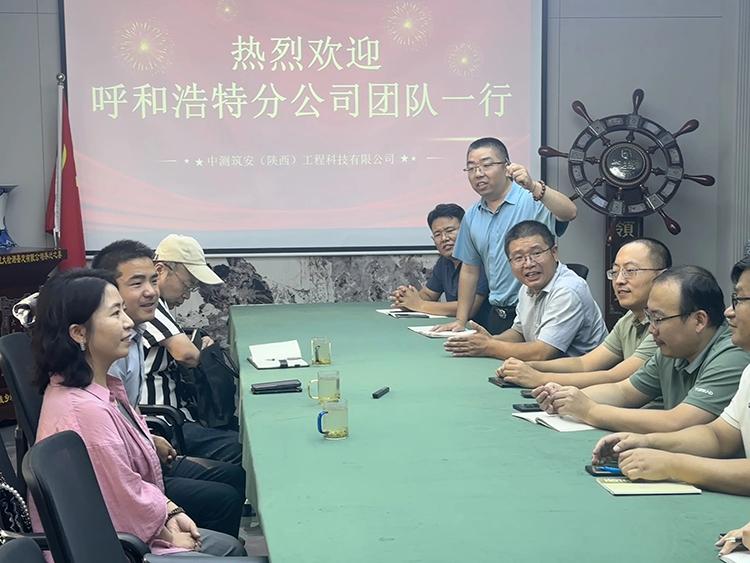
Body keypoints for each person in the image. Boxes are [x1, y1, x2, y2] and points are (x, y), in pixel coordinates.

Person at [30, 269, 245, 556]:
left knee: (230, 546)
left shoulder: (97, 387)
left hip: (133, 531)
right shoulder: (86, 412)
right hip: (118, 548)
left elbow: (129, 484)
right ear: (79, 333)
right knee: (230, 550)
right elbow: (123, 502)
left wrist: (170, 511)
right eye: (115, 313)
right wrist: (169, 535)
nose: (128, 322)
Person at [588, 257, 750, 557]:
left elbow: (682, 422)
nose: (730, 311)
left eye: (739, 300)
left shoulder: (734, 356)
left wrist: (672, 464)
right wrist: (649, 442)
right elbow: (718, 435)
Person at [92, 240, 245, 538]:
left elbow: (126, 406)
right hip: (147, 443)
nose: (151, 291)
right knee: (225, 492)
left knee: (232, 478)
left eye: (152, 282)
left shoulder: (135, 331)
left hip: (146, 441)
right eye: (137, 283)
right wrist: (168, 520)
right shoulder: (106, 351)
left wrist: (147, 439)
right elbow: (114, 467)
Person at [535, 266, 750, 433]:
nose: (652, 329)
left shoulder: (733, 354)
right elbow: (624, 392)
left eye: (658, 319)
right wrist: (565, 398)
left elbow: (679, 422)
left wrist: (590, 410)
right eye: (650, 317)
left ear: (699, 320)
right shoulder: (673, 349)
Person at [435, 137, 578, 335]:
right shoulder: (472, 215)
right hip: (499, 314)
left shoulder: (532, 198)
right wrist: (460, 320)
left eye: (486, 165)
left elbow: (570, 212)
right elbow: (469, 270)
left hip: (538, 310)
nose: (478, 173)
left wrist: (534, 186)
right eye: (471, 168)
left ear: (506, 167)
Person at [497, 238, 670, 388]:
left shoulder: (664, 325)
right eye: (615, 272)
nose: (619, 280)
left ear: (662, 276)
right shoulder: (629, 319)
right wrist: (529, 366)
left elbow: (616, 377)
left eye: (630, 271)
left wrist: (539, 378)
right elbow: (585, 363)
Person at [443, 220, 607, 360]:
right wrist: (490, 339)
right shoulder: (526, 287)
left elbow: (542, 352)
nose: (529, 264)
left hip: (585, 378)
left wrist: (488, 346)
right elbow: (519, 333)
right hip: (549, 373)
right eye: (518, 258)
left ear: (554, 253)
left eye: (536, 253)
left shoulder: (567, 290)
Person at [144, 234, 242, 466]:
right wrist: (203, 351)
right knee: (245, 449)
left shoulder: (160, 305)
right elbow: (187, 355)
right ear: (160, 270)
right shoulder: (149, 306)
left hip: (179, 415)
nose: (187, 295)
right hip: (164, 425)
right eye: (187, 285)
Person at [390, 204, 490, 326]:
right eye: (437, 234)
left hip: (484, 331)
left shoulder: (480, 259)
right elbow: (428, 294)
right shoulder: (444, 261)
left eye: (450, 231)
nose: (444, 238)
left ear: (467, 231)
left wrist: (420, 305)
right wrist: (406, 299)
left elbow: (471, 307)